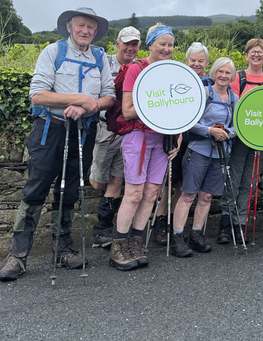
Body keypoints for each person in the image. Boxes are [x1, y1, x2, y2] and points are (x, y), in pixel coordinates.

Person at [0, 7, 115, 281]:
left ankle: (63, 250)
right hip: (50, 130)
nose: (85, 31)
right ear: (69, 27)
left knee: (70, 190)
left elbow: (109, 95)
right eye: (81, 26)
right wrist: (78, 100)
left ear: (96, 31)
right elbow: (37, 95)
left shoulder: (100, 57)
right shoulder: (53, 52)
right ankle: (17, 256)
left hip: (84, 131)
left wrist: (92, 105)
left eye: (90, 27)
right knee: (36, 189)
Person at [109, 24, 180, 270]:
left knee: (151, 193)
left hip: (161, 139)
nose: (167, 49)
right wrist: (156, 106)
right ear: (150, 44)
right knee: (134, 194)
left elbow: (179, 108)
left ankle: (136, 241)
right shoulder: (136, 69)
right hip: (137, 136)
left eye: (170, 45)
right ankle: (119, 245)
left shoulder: (172, 70)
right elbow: (128, 111)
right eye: (162, 44)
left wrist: (178, 135)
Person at [171, 58, 239, 256]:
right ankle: (177, 238)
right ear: (214, 73)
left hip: (220, 153)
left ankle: (197, 234)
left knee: (207, 195)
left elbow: (239, 126)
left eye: (228, 73)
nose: (224, 76)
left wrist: (227, 133)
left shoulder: (234, 99)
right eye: (220, 72)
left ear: (232, 76)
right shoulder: (204, 93)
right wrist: (210, 131)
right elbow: (189, 121)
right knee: (189, 194)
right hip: (198, 150)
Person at [218, 39, 263, 242]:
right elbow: (232, 108)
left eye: (260, 52)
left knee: (250, 182)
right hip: (239, 139)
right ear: (245, 55)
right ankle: (226, 224)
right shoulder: (238, 77)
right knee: (233, 180)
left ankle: (240, 223)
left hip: (261, 140)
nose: (256, 55)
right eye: (253, 51)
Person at [153, 41, 211, 246]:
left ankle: (174, 225)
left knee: (182, 185)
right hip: (175, 136)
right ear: (186, 61)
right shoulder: (176, 80)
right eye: (193, 60)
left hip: (195, 141)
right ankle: (160, 224)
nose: (196, 64)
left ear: (206, 63)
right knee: (168, 182)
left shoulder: (208, 84)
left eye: (201, 61)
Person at [89, 26, 141, 248]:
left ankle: (103, 228)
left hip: (129, 130)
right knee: (98, 182)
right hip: (106, 128)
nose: (130, 48)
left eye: (135, 44)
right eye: (126, 43)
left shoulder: (141, 68)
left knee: (117, 179)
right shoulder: (104, 63)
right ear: (117, 43)